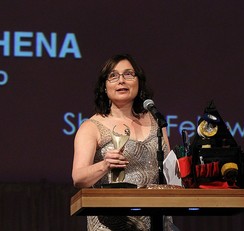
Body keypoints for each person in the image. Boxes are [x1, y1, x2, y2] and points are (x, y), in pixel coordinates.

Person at [72, 54, 176, 231]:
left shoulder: (156, 121)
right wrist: (104, 165)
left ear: (138, 82)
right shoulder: (92, 126)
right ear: (104, 87)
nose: (121, 81)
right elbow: (78, 178)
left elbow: (169, 172)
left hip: (157, 219)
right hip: (112, 222)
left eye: (128, 74)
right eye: (113, 76)